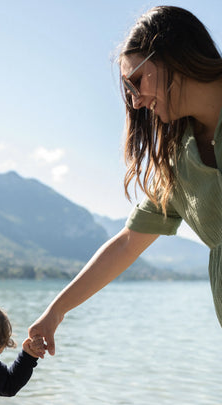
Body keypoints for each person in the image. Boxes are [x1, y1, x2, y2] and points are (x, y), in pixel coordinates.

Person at [29, 6, 222, 356]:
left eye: (135, 80)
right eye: (126, 89)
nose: (134, 100)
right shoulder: (178, 160)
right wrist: (56, 312)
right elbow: (128, 243)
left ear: (171, 56)